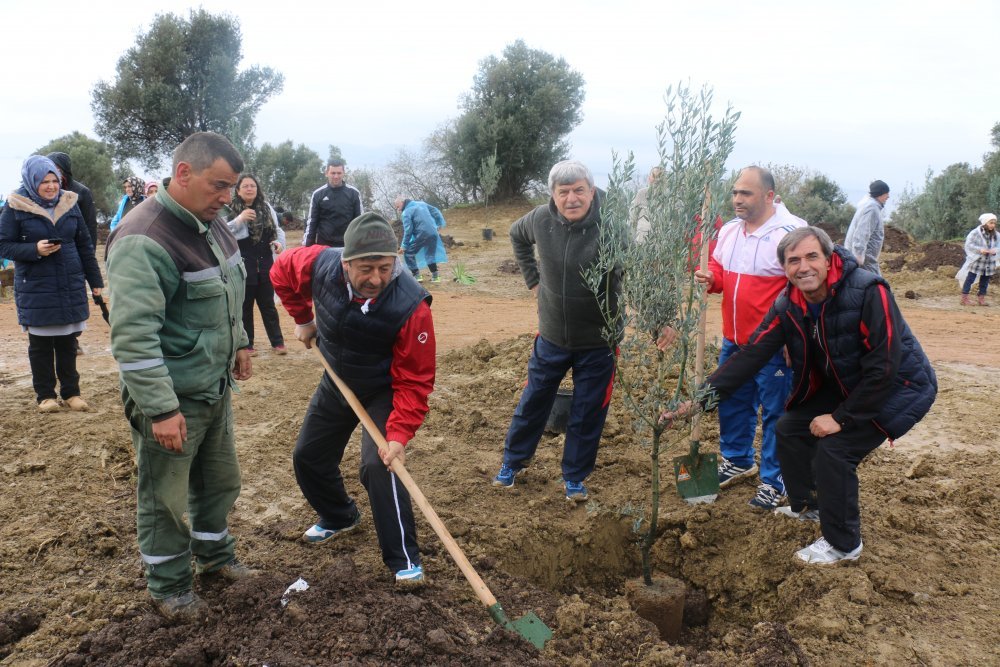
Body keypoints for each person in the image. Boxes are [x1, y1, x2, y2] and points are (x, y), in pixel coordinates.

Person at [667, 227, 936, 564]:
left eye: (812, 257)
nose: (803, 267)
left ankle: (844, 544)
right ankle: (810, 506)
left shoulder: (868, 292)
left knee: (835, 449)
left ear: (828, 260)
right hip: (848, 385)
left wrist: (840, 418)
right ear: (784, 268)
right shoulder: (788, 304)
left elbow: (884, 366)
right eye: (793, 260)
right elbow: (750, 355)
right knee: (790, 427)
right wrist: (698, 401)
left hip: (898, 387)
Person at [105, 132, 254, 621]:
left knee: (219, 481)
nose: (227, 197)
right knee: (164, 497)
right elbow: (133, 338)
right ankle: (168, 587)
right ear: (183, 174)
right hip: (171, 399)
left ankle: (214, 558)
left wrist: (241, 344)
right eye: (219, 185)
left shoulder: (212, 223)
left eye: (232, 187)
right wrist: (162, 410)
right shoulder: (142, 239)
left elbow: (230, 288)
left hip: (213, 387)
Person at [270, 212, 434, 586]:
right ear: (345, 262)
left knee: (382, 465)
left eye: (385, 267)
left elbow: (416, 380)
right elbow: (280, 271)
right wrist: (302, 318)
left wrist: (398, 433)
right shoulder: (319, 263)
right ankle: (340, 516)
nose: (376, 278)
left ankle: (404, 560)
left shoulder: (411, 306)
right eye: (366, 268)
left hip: (384, 387)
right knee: (308, 456)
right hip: (338, 378)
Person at [493, 160, 622, 502]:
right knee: (533, 400)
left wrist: (657, 321)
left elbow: (638, 270)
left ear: (591, 191)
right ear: (553, 194)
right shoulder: (538, 219)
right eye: (563, 192)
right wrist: (532, 280)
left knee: (588, 411)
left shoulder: (612, 226)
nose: (571, 198)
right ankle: (513, 462)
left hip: (599, 342)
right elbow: (516, 236)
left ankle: (575, 478)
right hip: (551, 336)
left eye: (579, 190)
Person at [696, 166, 807, 510]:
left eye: (746, 193)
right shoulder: (730, 231)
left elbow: (802, 288)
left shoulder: (790, 233)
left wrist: (794, 338)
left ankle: (776, 480)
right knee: (731, 400)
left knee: (776, 411)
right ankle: (738, 459)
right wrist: (710, 277)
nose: (737, 200)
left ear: (769, 196)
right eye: (734, 193)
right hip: (735, 339)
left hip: (773, 346)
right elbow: (720, 273)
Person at [0, 155, 104, 412]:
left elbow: (84, 244)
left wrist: (95, 281)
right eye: (44, 181)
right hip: (37, 285)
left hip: (69, 282)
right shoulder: (15, 206)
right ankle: (45, 395)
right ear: (32, 181)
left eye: (54, 181)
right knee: (41, 345)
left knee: (68, 342)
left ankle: (72, 393)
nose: (50, 186)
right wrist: (34, 249)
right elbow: (3, 244)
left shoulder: (70, 202)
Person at [226, 174, 287, 355]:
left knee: (268, 305)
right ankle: (248, 344)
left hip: (265, 264)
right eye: (245, 186)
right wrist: (240, 219)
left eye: (253, 185)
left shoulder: (266, 208)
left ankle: (277, 342)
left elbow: (275, 232)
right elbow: (222, 231)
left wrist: (278, 244)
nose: (250, 189)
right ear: (238, 190)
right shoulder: (231, 209)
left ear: (257, 189)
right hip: (243, 264)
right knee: (245, 306)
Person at [46, 152, 98, 253]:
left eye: (56, 168)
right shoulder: (43, 190)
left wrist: (90, 253)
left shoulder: (82, 192)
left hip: (75, 248)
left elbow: (90, 225)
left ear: (64, 170)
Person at [304, 158, 362, 247]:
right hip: (324, 245)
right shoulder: (318, 194)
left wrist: (361, 244)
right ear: (326, 173)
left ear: (343, 173)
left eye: (339, 173)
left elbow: (360, 221)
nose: (336, 176)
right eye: (333, 173)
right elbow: (312, 221)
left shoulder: (354, 193)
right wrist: (307, 245)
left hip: (348, 245)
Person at [394, 196, 448, 283]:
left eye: (397, 206)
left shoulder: (406, 212)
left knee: (408, 253)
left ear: (402, 202)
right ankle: (435, 277)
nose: (398, 209)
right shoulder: (422, 204)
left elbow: (408, 231)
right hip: (433, 233)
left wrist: (404, 246)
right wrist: (439, 223)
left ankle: (417, 276)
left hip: (421, 234)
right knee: (430, 254)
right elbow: (435, 211)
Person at [843, 179, 890, 275]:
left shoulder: (868, 205)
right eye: (886, 193)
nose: (888, 196)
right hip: (865, 259)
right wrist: (859, 256)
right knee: (875, 285)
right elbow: (862, 233)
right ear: (880, 194)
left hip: (866, 258)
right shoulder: (872, 209)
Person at [956, 213, 997, 306]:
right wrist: (980, 249)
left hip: (989, 261)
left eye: (994, 223)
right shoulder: (975, 233)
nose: (993, 225)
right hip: (977, 260)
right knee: (970, 278)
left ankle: (981, 299)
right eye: (991, 223)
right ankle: (964, 298)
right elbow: (969, 244)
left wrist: (995, 250)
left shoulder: (995, 234)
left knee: (985, 280)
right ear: (985, 223)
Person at [629, 167, 662, 242]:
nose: (657, 180)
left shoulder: (669, 198)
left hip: (660, 243)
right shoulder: (641, 194)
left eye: (659, 177)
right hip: (641, 242)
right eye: (654, 176)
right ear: (649, 178)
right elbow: (633, 219)